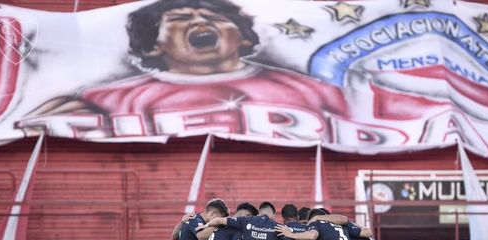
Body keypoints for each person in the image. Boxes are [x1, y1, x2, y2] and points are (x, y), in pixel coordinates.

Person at [19, 0, 351, 142]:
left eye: (214, 16)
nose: (199, 21)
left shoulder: (312, 91)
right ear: (152, 45)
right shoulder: (103, 100)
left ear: (244, 37)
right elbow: (35, 126)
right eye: (179, 18)